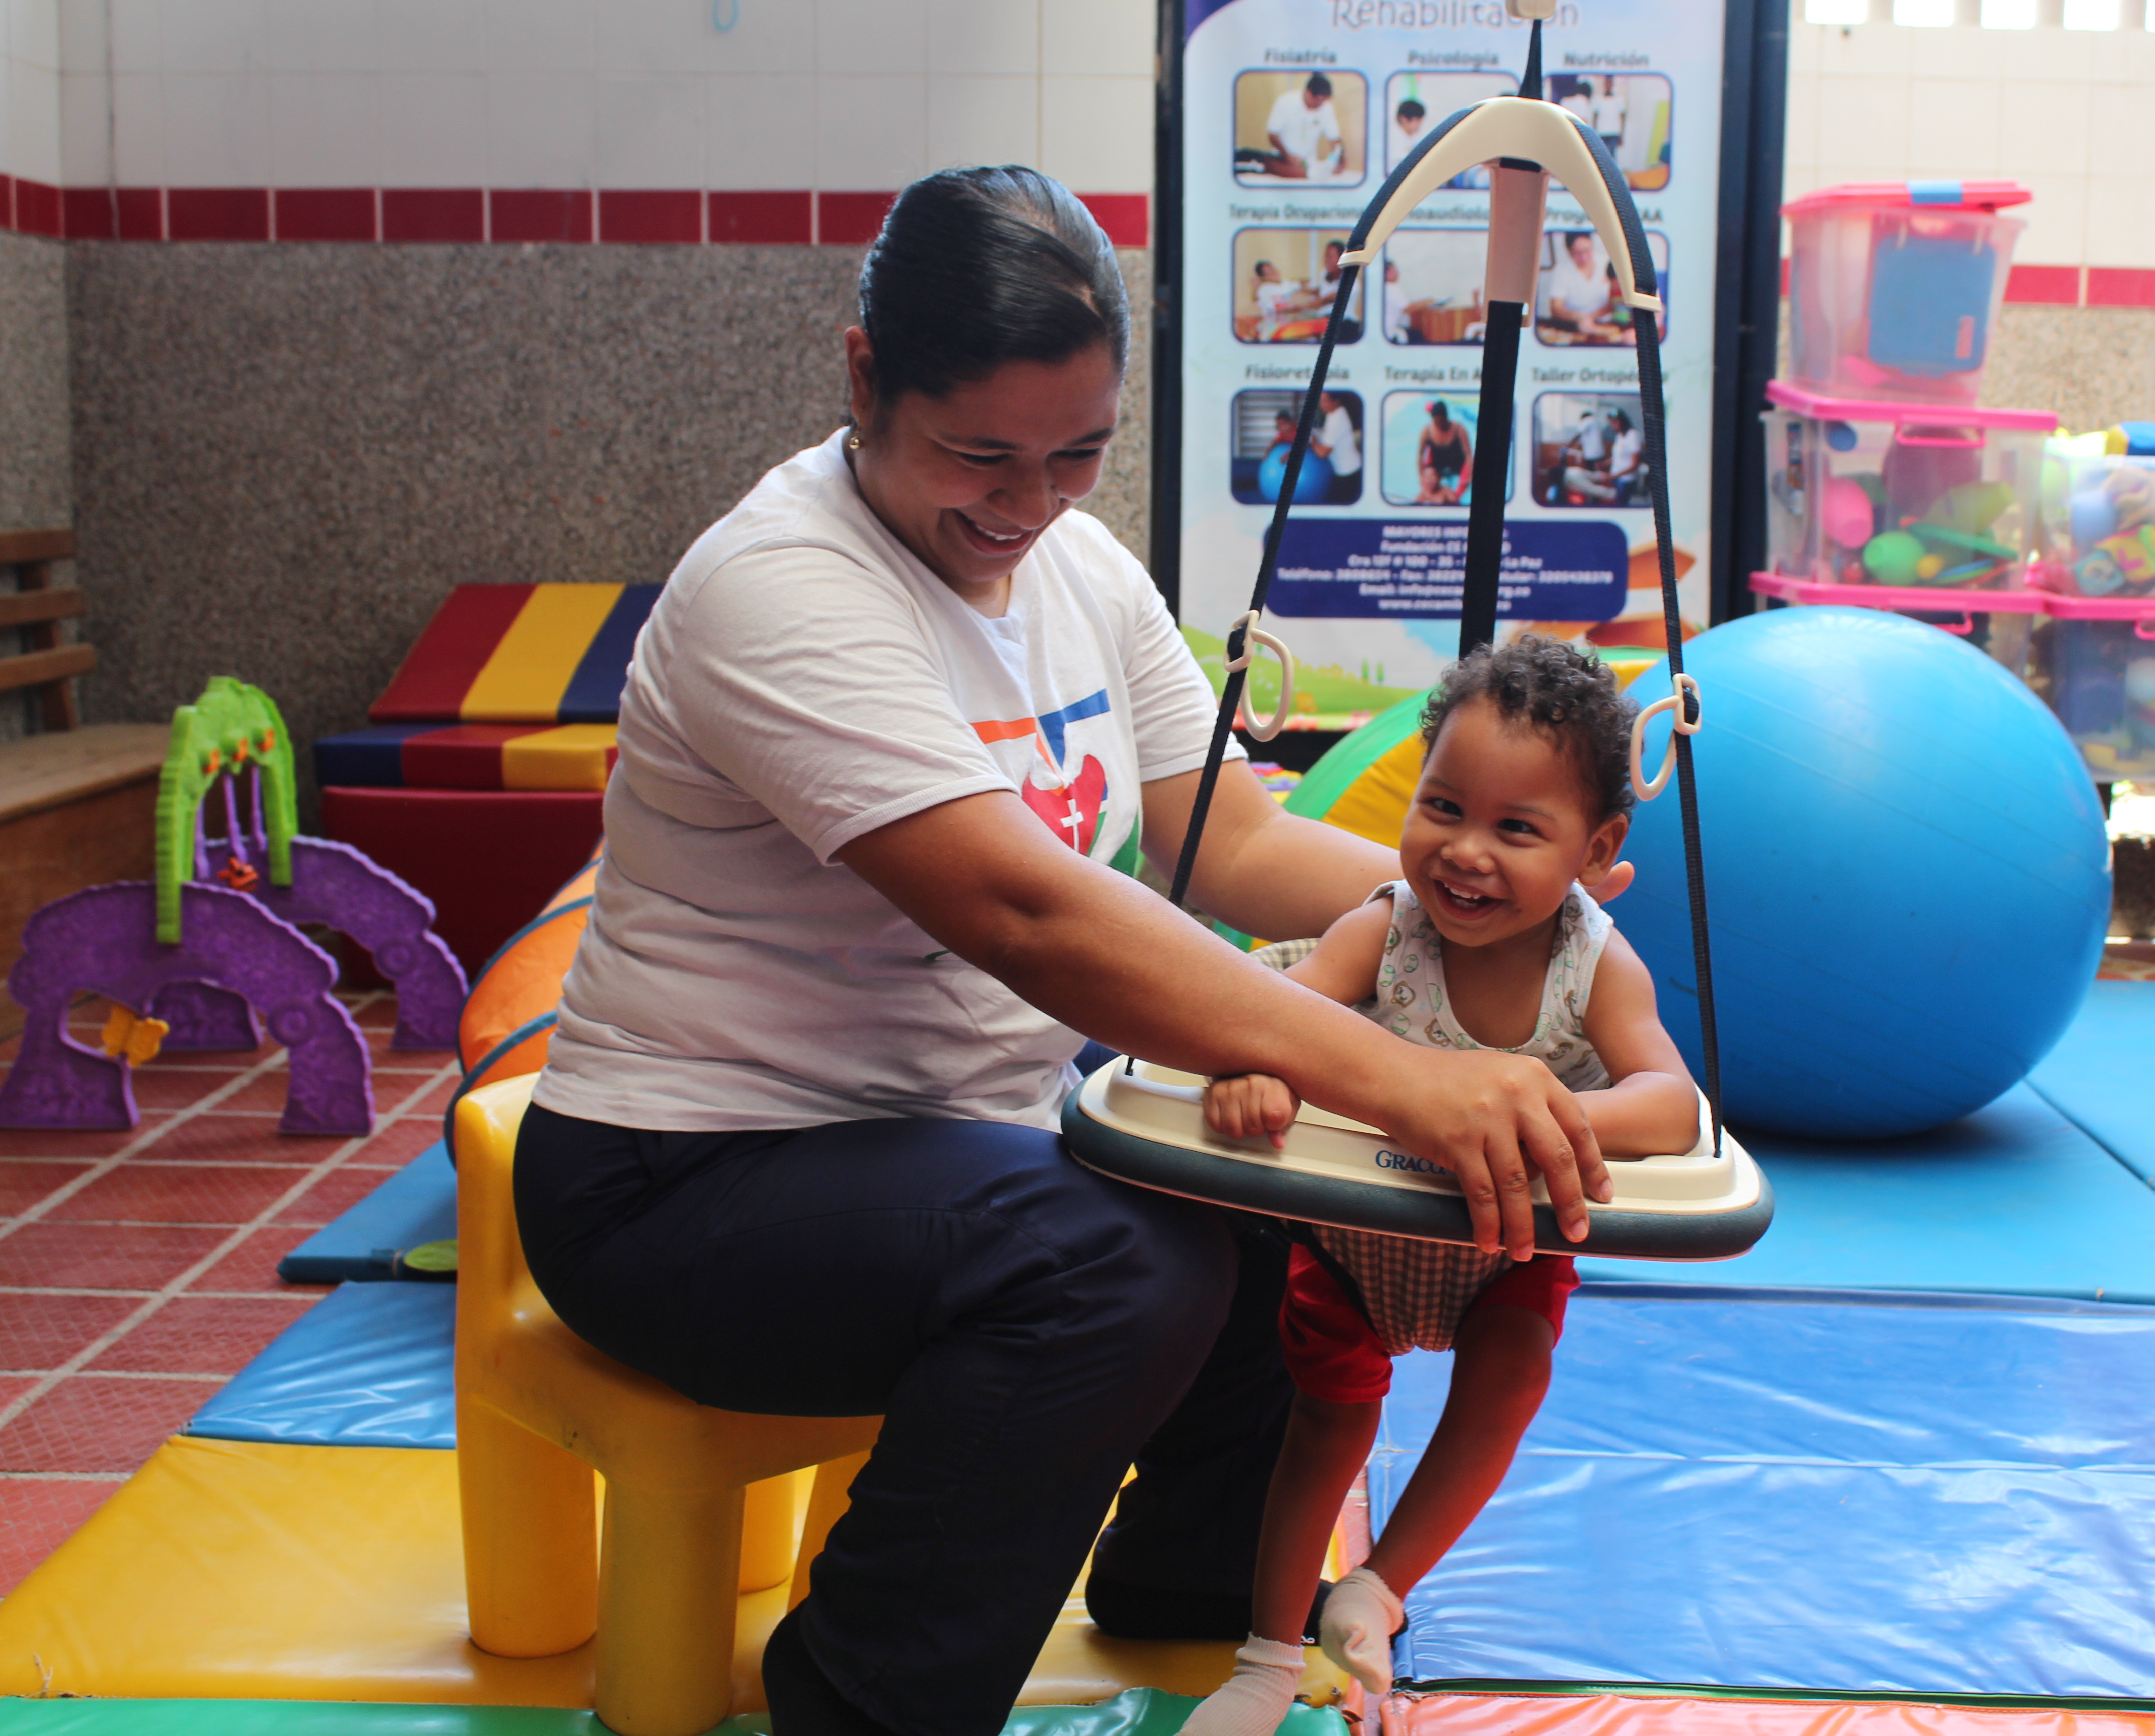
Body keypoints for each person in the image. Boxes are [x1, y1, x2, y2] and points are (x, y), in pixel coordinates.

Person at [515, 166, 1611, 1736]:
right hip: (687, 1177)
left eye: (1077, 456)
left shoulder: (1076, 568)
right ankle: (858, 1703)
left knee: (1256, 1164)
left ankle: (1195, 1580)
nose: (1027, 504)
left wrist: (1509, 933)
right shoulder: (785, 586)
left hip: (961, 1139)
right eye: (980, 455)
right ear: (863, 376)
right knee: (1116, 1251)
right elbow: (1029, 915)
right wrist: (1408, 1071)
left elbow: (1225, 844)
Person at [1173, 638, 1703, 1736]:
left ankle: (1377, 1585)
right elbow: (1280, 1020)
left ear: (1596, 849)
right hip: (1355, 1239)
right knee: (1323, 1429)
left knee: (1511, 1374)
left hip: (1501, 1246)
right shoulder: (1387, 926)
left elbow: (1671, 1104)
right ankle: (1268, 1660)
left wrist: (1535, 1121)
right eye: (1444, 808)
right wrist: (1254, 1081)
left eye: (1517, 829)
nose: (1465, 853)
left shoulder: (1595, 965)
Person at [1542, 231, 1626, 345]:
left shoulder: (1608, 263)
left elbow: (1617, 301)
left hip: (1606, 326)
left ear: (1592, 246)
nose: (1584, 257)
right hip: (1574, 327)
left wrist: (1589, 318)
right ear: (1569, 252)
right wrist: (1577, 318)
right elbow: (1556, 308)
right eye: (1578, 252)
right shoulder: (1562, 270)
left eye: (1588, 250)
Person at [1264, 73, 1345, 182]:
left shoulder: (1326, 108)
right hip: (1282, 158)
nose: (1321, 105)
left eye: (1324, 101)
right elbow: (1273, 136)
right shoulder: (1286, 102)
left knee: (1312, 174)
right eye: (1319, 100)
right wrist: (1290, 157)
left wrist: (1338, 159)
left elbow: (1335, 140)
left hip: (1309, 163)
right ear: (1308, 93)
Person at [1415, 400, 1472, 505]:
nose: (1440, 425)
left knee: (1458, 494)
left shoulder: (1459, 430)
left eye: (1442, 421)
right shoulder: (1427, 432)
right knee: (1427, 482)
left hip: (1457, 464)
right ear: (1432, 420)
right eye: (1437, 422)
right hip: (1438, 464)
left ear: (1447, 417)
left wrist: (1467, 478)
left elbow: (1469, 457)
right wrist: (1422, 478)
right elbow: (1420, 457)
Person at [1314, 391, 1362, 503]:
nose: (1322, 405)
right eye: (1321, 401)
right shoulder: (1334, 413)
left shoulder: (1337, 421)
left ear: (1336, 402)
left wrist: (1312, 441)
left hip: (1348, 473)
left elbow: (1323, 453)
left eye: (1325, 401)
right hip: (1343, 471)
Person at [1590, 76, 1627, 158]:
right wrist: (1594, 133)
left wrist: (1622, 134)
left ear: (1613, 85)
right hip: (1602, 132)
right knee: (1602, 156)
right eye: (1607, 83)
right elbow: (1595, 118)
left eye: (1610, 83)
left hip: (1614, 132)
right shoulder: (1599, 100)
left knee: (1612, 156)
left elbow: (1622, 118)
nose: (1608, 85)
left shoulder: (1619, 100)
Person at [1379, 258, 1413, 344]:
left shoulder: (1382, 288)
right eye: (1394, 270)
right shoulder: (1392, 288)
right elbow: (1409, 309)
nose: (1398, 273)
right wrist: (1428, 302)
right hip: (1390, 333)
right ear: (1385, 273)